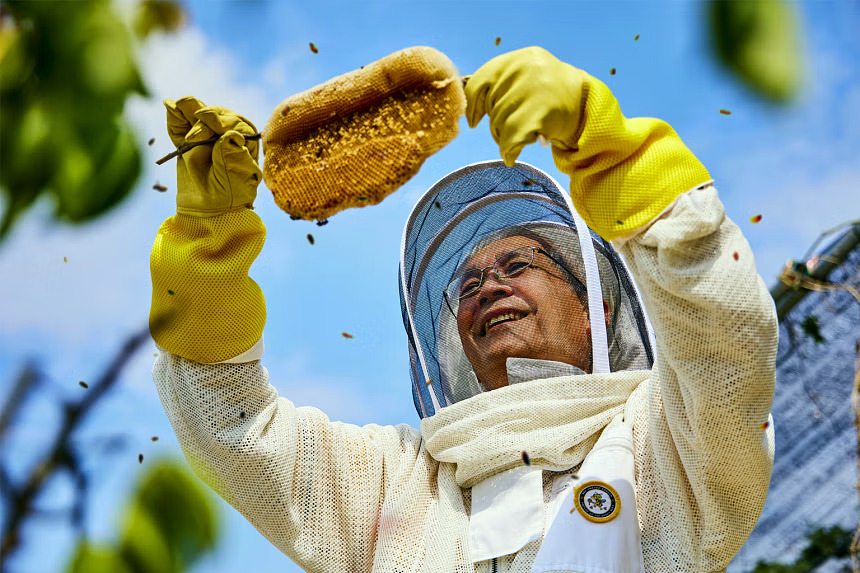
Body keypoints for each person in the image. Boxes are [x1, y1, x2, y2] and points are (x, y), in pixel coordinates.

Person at [150, 47, 777, 573]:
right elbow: (235, 429)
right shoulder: (401, 481)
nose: (486, 288)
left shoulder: (667, 439)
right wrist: (207, 257)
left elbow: (723, 332)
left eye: (517, 266)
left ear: (597, 307)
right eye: (469, 283)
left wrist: (611, 152)